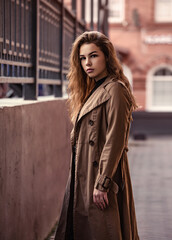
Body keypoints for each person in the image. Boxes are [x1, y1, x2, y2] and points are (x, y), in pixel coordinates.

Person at [55, 31, 139, 240]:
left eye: (93, 55)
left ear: (107, 57)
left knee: (103, 231)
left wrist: (103, 183)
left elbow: (115, 140)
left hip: (101, 175)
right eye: (82, 58)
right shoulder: (92, 89)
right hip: (81, 173)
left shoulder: (115, 90)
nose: (87, 63)